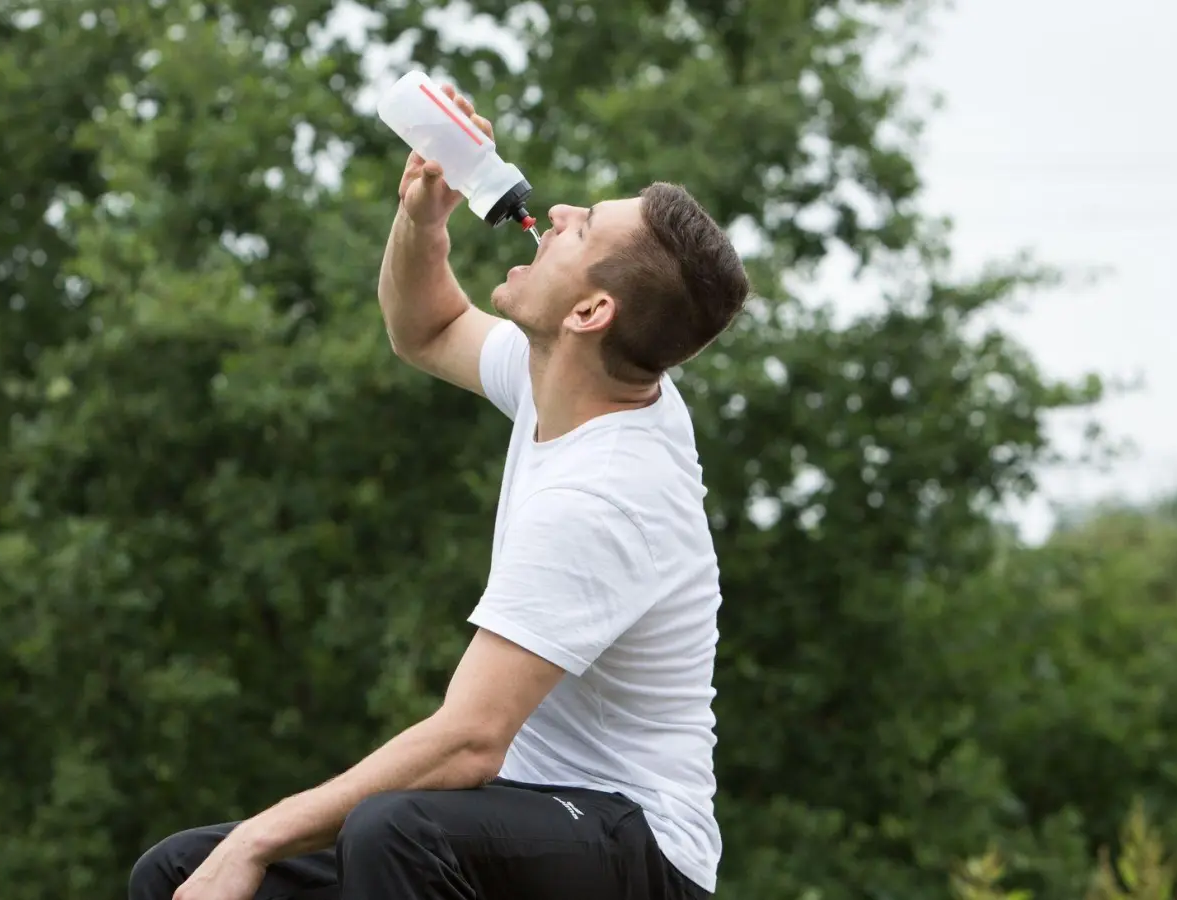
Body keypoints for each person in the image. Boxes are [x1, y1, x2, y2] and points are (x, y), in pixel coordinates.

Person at [130, 82, 750, 900]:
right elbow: (426, 329)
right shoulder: (570, 377)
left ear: (593, 310)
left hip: (643, 855)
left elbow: (468, 744)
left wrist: (257, 837)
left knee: (396, 829)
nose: (559, 212)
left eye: (586, 225)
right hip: (524, 821)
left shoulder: (607, 497)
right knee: (177, 870)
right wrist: (423, 220)